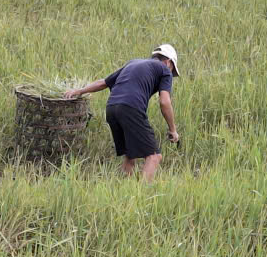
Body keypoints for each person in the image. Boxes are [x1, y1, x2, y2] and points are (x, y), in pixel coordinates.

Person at [65, 44, 181, 183]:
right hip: (131, 108)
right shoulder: (165, 70)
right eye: (172, 70)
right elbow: (164, 102)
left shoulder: (133, 63)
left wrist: (79, 91)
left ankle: (124, 189)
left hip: (111, 108)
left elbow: (103, 82)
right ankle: (142, 193)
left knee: (130, 156)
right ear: (168, 62)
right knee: (154, 156)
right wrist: (173, 129)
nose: (171, 74)